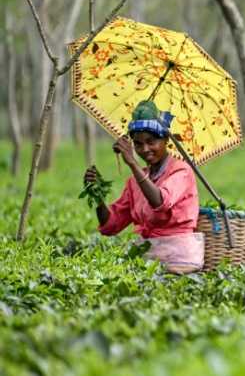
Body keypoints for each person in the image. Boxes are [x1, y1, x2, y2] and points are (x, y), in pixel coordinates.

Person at [83, 101, 204, 274]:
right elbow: (111, 224)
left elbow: (160, 201)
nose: (145, 149)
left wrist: (132, 163)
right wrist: (97, 194)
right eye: (138, 144)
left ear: (165, 140)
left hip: (180, 260)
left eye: (151, 141)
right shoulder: (135, 182)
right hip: (148, 259)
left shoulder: (181, 171)